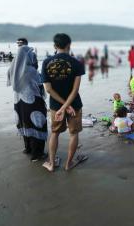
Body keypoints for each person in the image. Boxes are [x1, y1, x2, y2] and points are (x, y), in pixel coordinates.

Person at [41, 33, 87, 172]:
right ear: (69, 45)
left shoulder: (46, 62)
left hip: (56, 106)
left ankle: (51, 164)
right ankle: (69, 164)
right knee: (74, 134)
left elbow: (48, 89)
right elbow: (75, 89)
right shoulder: (77, 63)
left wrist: (62, 107)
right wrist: (67, 106)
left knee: (54, 133)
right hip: (74, 105)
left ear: (55, 46)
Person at [7, 38, 47, 161]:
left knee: (25, 123)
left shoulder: (12, 70)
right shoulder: (31, 71)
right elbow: (40, 88)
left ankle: (28, 148)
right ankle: (37, 154)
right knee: (37, 124)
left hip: (18, 103)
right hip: (33, 102)